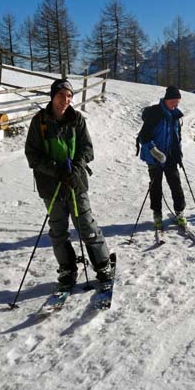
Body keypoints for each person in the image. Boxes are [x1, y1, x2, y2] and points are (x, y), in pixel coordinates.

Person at [25, 78, 113, 290]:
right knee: (58, 229)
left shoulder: (77, 119)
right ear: (53, 96)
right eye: (61, 95)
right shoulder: (39, 122)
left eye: (69, 96)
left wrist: (76, 167)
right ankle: (67, 268)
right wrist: (56, 170)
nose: (66, 100)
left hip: (76, 181)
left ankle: (102, 264)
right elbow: (32, 155)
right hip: (50, 185)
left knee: (86, 224)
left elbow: (87, 149)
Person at [138, 86, 186, 230]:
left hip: (170, 155)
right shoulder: (155, 113)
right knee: (155, 185)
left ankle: (179, 212)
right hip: (154, 157)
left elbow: (177, 137)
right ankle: (157, 214)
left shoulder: (176, 115)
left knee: (176, 184)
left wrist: (178, 152)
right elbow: (144, 136)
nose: (175, 105)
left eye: (177, 102)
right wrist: (154, 151)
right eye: (173, 101)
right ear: (166, 100)